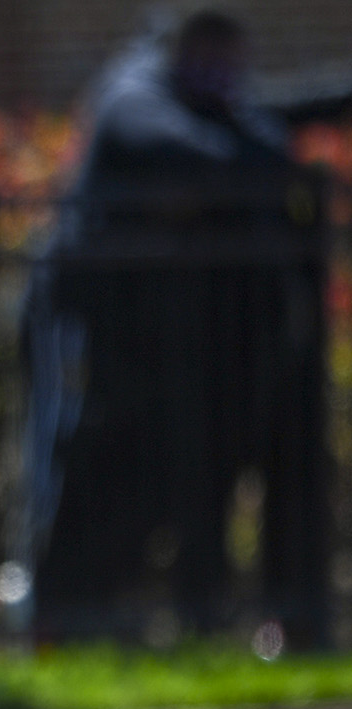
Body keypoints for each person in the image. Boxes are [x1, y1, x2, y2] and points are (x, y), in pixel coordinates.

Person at [24, 9, 325, 643]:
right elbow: (209, 157)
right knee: (96, 485)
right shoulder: (131, 93)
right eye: (205, 45)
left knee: (191, 490)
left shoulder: (224, 108)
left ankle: (191, 627)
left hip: (188, 351)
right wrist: (264, 154)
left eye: (229, 46)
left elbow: (269, 135)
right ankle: (61, 624)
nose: (221, 62)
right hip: (103, 345)